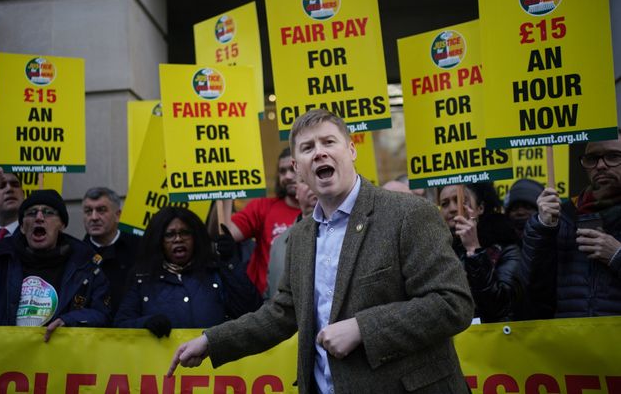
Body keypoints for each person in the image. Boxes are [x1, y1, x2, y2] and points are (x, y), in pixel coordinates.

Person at [168, 109, 474, 393]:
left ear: (351, 150)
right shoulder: (300, 237)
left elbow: (452, 303)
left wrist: (363, 329)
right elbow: (282, 313)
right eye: (307, 148)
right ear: (297, 169)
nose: (319, 152)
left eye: (329, 141)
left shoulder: (408, 213)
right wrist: (212, 341)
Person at [114, 206, 261, 337]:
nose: (178, 239)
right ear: (159, 240)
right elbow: (121, 325)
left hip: (215, 364)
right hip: (163, 365)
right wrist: (144, 323)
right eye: (170, 234)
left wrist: (229, 262)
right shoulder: (142, 277)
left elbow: (252, 310)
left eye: (185, 233)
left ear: (195, 237)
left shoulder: (216, 271)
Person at [521, 131, 621, 318]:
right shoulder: (563, 215)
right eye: (592, 159)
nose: (600, 165)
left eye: (613, 156)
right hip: (573, 339)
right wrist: (543, 228)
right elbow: (535, 291)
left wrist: (616, 255)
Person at [0, 189, 111, 341]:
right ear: (22, 227)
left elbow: (102, 314)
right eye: (31, 213)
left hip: (60, 360)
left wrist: (69, 320)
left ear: (62, 224)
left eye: (48, 212)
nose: (39, 217)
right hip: (5, 358)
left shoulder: (86, 265)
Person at [220, 147, 302, 294]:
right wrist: (224, 189)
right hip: (267, 304)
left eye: (293, 169)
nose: (288, 176)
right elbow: (226, 232)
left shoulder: (323, 211)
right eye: (282, 171)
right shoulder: (262, 207)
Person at [438, 183, 523, 323]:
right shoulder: (440, 251)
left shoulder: (506, 250)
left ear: (480, 208)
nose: (453, 208)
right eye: (445, 204)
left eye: (461, 201)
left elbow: (499, 306)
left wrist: (474, 250)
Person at [82, 187, 139, 315]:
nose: (94, 217)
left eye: (101, 210)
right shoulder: (76, 254)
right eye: (88, 211)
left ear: (117, 215)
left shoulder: (140, 248)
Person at [264, 177, 318, 300]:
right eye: (304, 180)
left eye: (317, 177)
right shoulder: (278, 243)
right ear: (296, 190)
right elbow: (270, 297)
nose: (312, 186)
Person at [0, 167, 25, 242]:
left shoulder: (34, 236)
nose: (9, 189)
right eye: (1, 186)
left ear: (23, 194)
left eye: (15, 185)